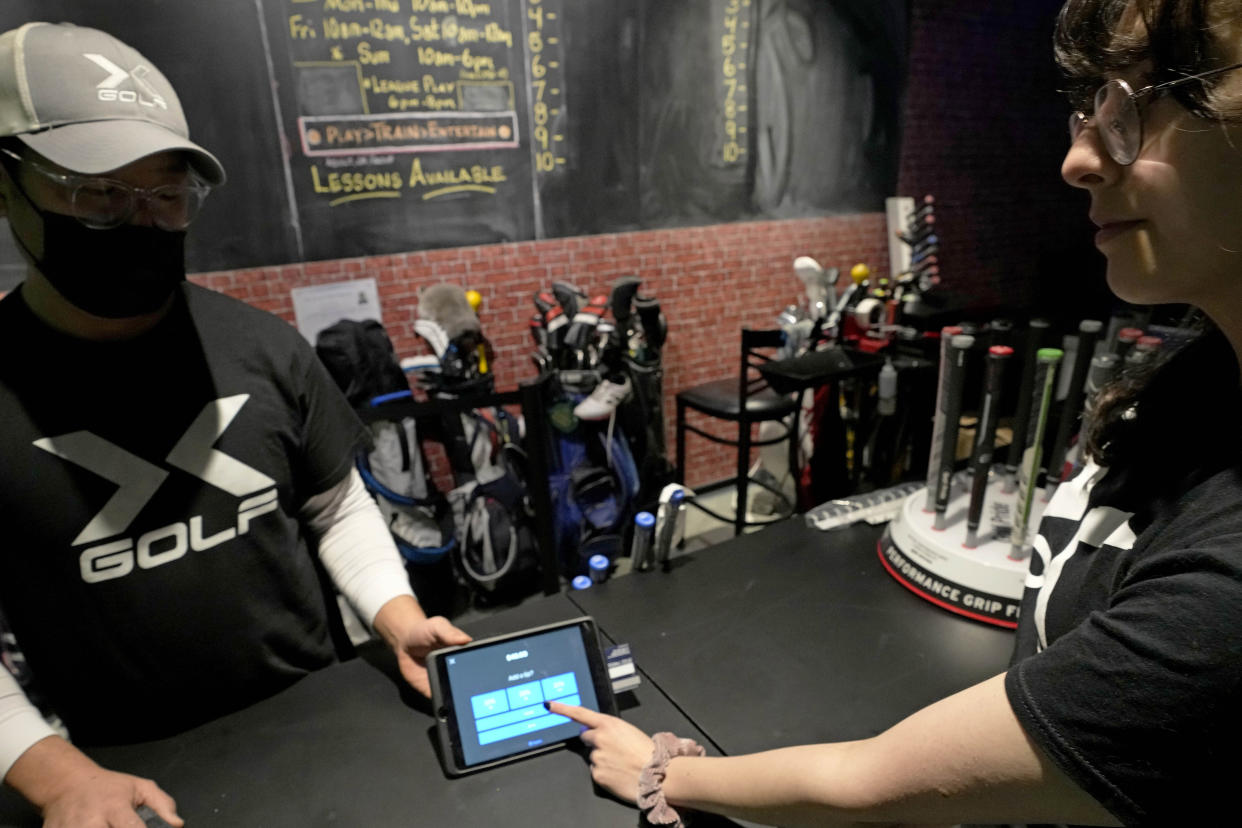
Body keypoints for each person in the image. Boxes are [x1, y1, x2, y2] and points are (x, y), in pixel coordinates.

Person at [552, 0, 1242, 825]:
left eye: (1146, 99)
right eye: (1090, 108)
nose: (1079, 157)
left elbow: (868, 785)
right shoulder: (1199, 382)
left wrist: (663, 773)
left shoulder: (1224, 594)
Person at [0, 22, 470, 827]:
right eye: (98, 195)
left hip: (327, 716)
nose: (139, 223)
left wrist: (394, 615)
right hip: (130, 774)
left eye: (166, 196)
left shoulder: (263, 348)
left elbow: (335, 505)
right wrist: (54, 775)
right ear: (9, 185)